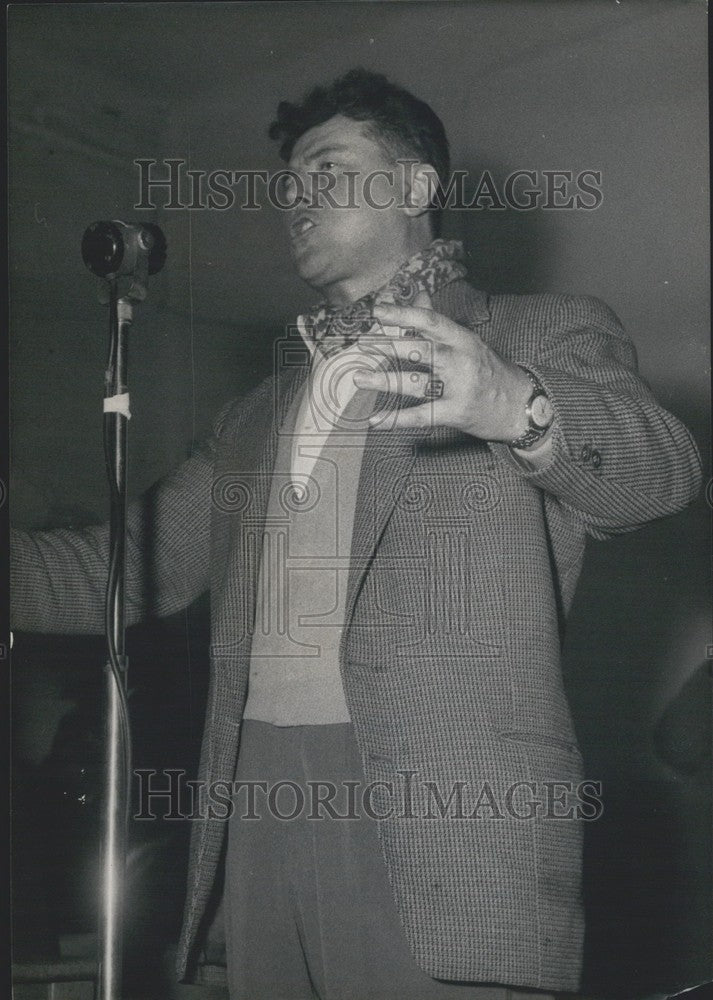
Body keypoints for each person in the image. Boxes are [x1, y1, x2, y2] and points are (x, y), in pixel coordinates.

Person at [10, 68, 703, 1000]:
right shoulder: (255, 413)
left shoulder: (535, 332)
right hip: (259, 799)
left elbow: (660, 476)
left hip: (442, 815)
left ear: (415, 187)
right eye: (290, 182)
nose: (297, 198)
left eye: (329, 169)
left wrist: (512, 402)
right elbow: (123, 570)